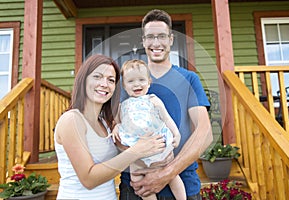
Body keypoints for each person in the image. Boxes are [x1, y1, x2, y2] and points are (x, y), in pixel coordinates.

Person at [119, 9, 213, 200]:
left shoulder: (189, 79)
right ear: (143, 41)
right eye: (150, 37)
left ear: (171, 39)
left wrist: (166, 172)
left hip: (183, 183)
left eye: (161, 36)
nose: (155, 43)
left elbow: (205, 133)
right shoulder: (128, 82)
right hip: (138, 187)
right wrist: (142, 160)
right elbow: (117, 133)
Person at [54, 54, 166, 200]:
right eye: (97, 77)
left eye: (111, 80)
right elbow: (89, 179)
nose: (104, 84)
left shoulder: (107, 124)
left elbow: (130, 152)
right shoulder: (72, 120)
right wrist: (136, 151)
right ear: (84, 80)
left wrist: (158, 155)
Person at [112, 59, 186, 200]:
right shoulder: (123, 106)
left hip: (159, 148)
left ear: (149, 82)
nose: (137, 84)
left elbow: (167, 118)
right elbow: (118, 123)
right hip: (137, 152)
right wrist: (116, 127)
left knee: (171, 175)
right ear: (124, 85)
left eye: (141, 79)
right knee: (136, 179)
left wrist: (176, 134)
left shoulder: (153, 100)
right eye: (131, 81)